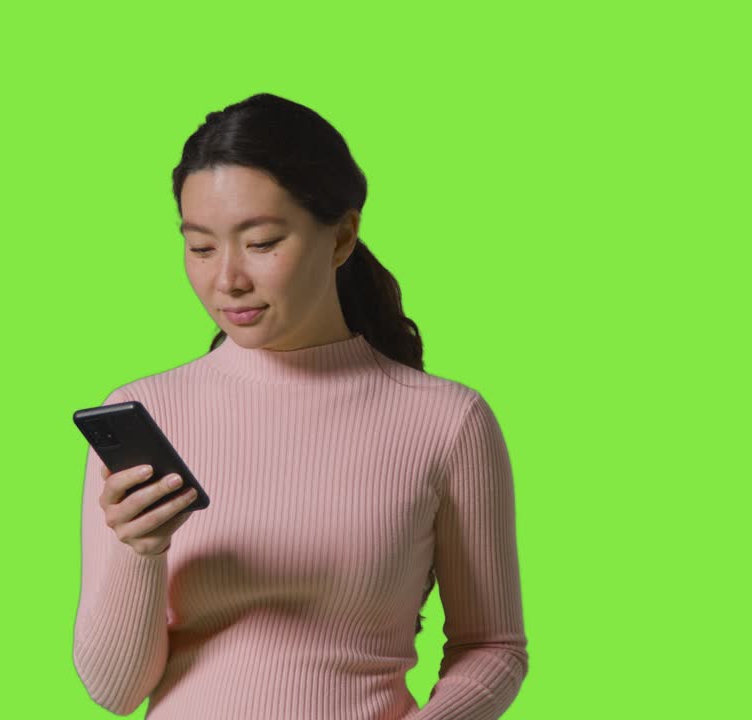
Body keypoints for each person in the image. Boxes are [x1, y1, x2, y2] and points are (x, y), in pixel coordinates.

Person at [73, 93, 528, 718]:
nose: (227, 280)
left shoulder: (447, 422)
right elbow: (115, 692)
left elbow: (492, 647)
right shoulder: (147, 411)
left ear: (341, 236)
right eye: (201, 248)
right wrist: (140, 552)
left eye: (261, 243)